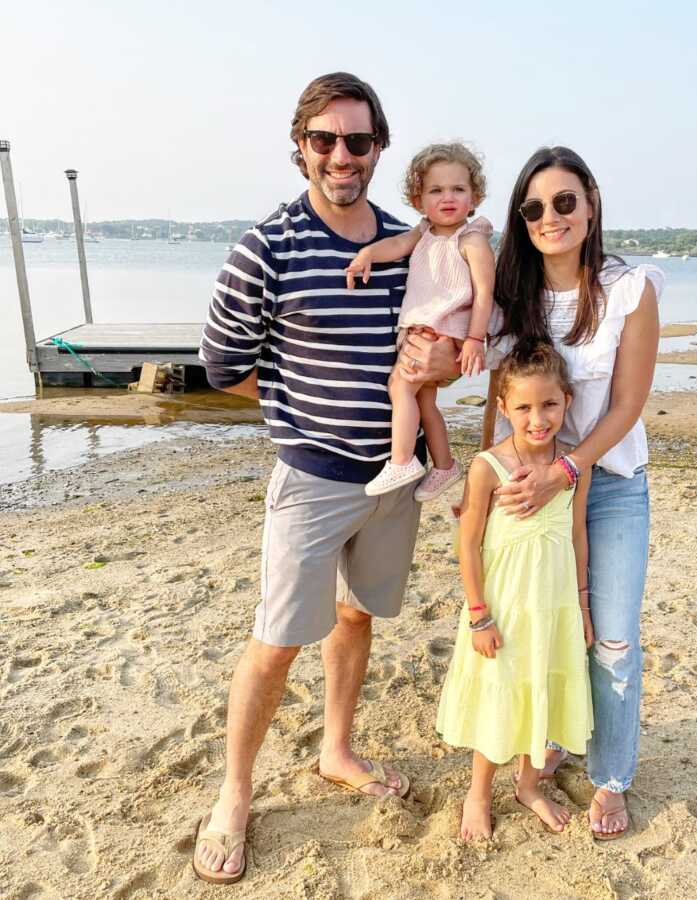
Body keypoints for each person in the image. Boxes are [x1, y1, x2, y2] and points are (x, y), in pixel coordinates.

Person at [192, 72, 460, 885]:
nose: (341, 155)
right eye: (325, 140)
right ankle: (234, 795)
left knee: (356, 617)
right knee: (275, 644)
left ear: (379, 149)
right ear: (300, 147)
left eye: (358, 140)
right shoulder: (266, 246)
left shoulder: (414, 242)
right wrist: (294, 402)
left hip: (394, 476)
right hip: (310, 476)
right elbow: (220, 365)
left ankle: (336, 749)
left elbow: (433, 343)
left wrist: (443, 366)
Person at [485, 146, 664, 841]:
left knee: (611, 636)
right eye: (533, 207)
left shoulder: (631, 289)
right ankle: (551, 740)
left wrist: (571, 468)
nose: (550, 217)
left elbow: (628, 402)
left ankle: (611, 776)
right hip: (532, 491)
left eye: (564, 201)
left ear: (590, 202)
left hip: (611, 484)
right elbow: (499, 406)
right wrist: (486, 482)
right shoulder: (511, 299)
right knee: (546, 627)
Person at [435, 343, 594, 840]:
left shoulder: (573, 466)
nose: (537, 418)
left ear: (566, 401)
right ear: (503, 408)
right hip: (502, 606)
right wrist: (479, 614)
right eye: (523, 407)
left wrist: (583, 605)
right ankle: (478, 793)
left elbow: (577, 533)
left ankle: (529, 785)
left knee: (540, 685)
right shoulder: (489, 466)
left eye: (548, 404)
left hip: (554, 604)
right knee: (500, 691)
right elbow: (469, 544)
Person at [345, 142, 500, 501]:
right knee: (425, 402)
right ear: (418, 200)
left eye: (458, 189)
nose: (448, 197)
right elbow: (397, 245)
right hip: (426, 330)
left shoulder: (472, 239)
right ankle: (444, 465)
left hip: (442, 330)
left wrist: (475, 339)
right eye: (436, 190)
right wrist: (368, 254)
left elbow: (484, 293)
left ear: (474, 196)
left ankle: (401, 460)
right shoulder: (425, 232)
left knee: (399, 386)